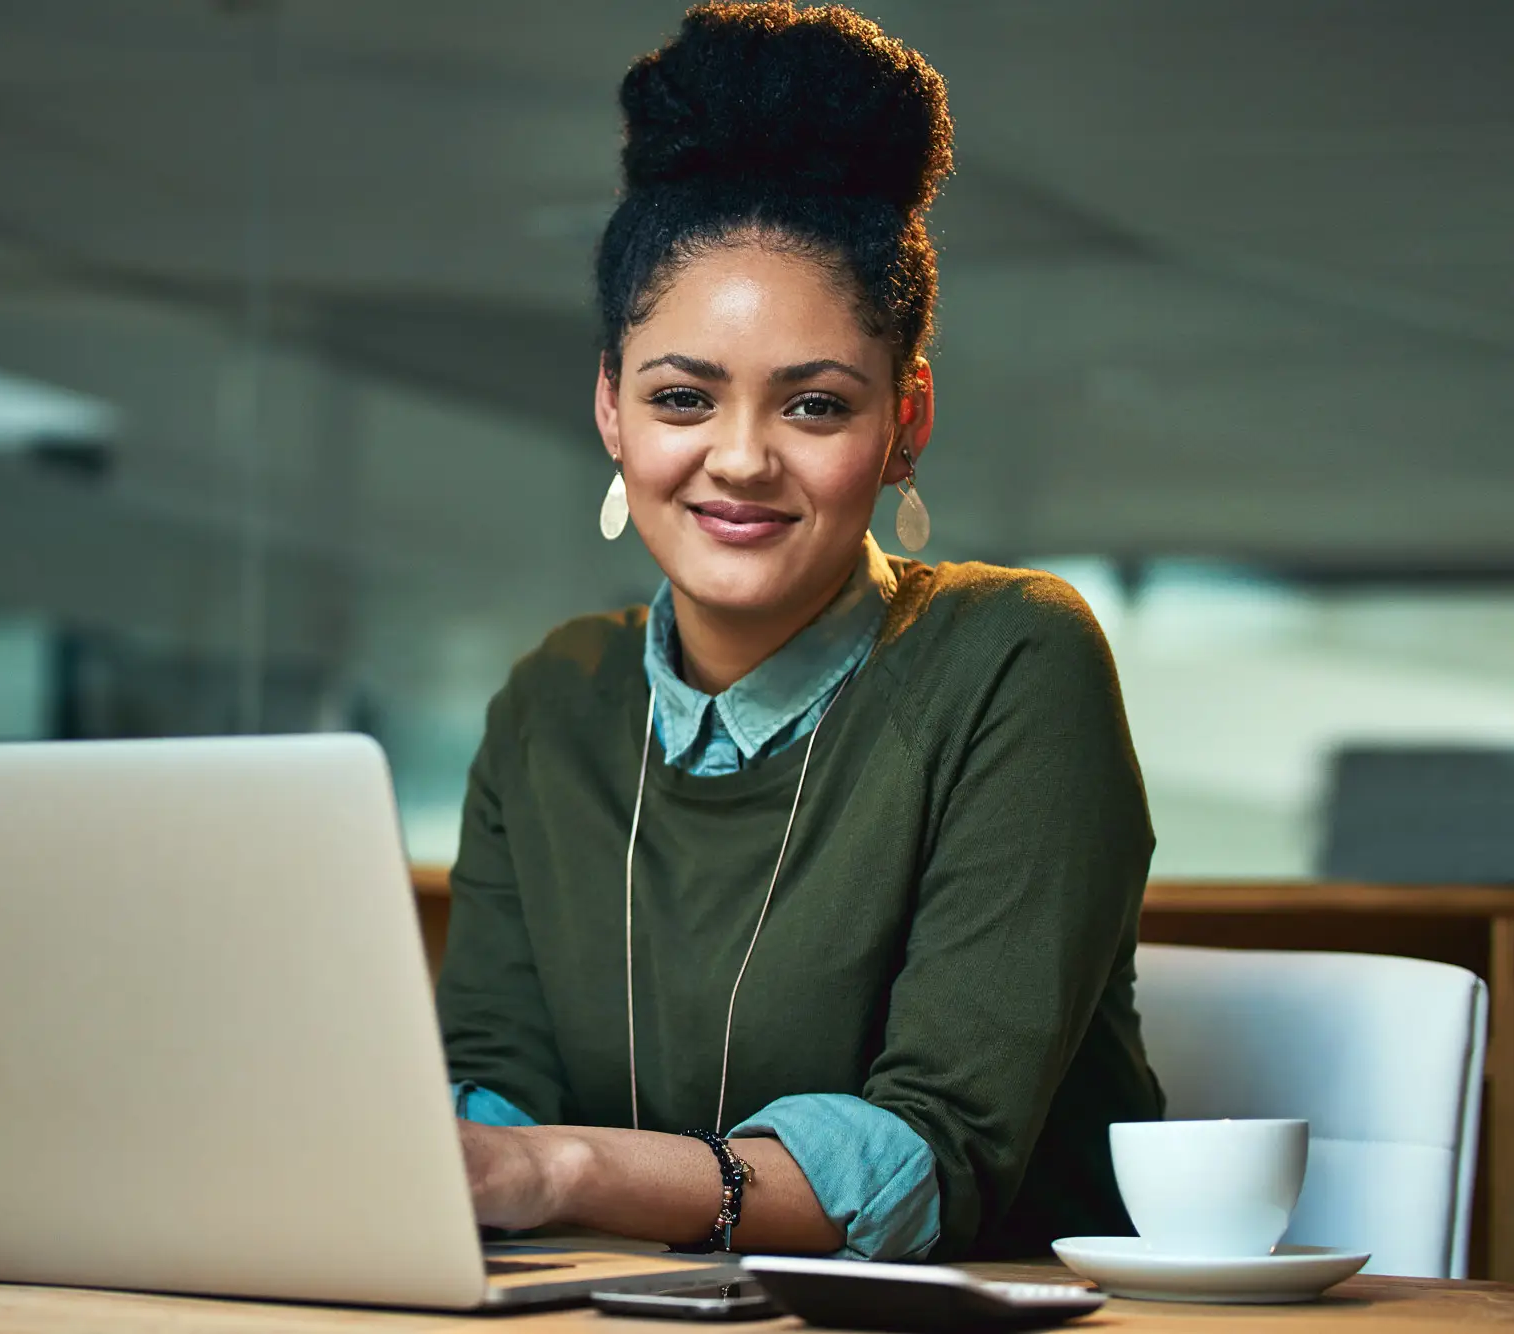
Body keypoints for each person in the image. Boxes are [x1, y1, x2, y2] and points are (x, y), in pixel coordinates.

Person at [436, 2, 1162, 1262]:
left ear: (905, 419)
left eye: (814, 404)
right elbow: (489, 1084)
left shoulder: (1012, 660)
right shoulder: (550, 700)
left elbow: (929, 1154)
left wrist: (550, 1166)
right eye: (680, 396)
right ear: (609, 406)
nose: (739, 460)